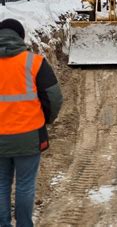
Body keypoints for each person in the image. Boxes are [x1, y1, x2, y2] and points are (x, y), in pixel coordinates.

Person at [0, 19, 63, 227]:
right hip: (28, 136)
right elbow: (53, 97)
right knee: (25, 185)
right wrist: (46, 119)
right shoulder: (34, 62)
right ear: (21, 37)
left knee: (1, 184)